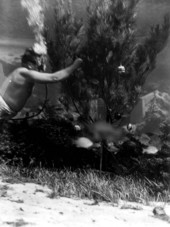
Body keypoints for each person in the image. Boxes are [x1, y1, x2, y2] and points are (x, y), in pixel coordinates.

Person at [0, 48, 82, 119]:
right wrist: (75, 65)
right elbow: (54, 77)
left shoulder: (25, 74)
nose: (41, 66)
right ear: (30, 64)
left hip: (6, 110)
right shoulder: (23, 72)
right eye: (39, 63)